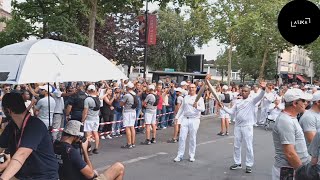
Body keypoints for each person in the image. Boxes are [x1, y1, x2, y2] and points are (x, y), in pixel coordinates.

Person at [0, 93, 59, 179]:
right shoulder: (12, 126)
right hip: (25, 176)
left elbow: (22, 154)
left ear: (8, 111)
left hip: (44, 176)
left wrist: (3, 178)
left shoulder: (34, 125)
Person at [219, 82, 266, 173]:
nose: (244, 92)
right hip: (238, 126)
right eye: (243, 91)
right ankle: (237, 163)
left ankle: (249, 164)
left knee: (248, 146)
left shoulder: (252, 101)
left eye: (246, 91)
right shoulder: (238, 101)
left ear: (249, 93)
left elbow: (260, 96)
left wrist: (263, 89)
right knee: (237, 145)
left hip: (247, 126)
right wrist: (223, 107)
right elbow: (231, 112)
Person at [56, 120, 125, 180]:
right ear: (75, 136)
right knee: (119, 167)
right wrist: (85, 151)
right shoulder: (71, 151)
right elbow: (91, 175)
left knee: (95, 172)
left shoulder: (55, 146)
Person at [272, 88, 312, 180]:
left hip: (294, 169)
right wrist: (303, 173)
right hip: (289, 171)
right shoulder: (285, 121)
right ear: (294, 103)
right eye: (303, 101)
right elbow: (290, 153)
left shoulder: (291, 118)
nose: (306, 103)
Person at [173, 84, 205, 162]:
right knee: (181, 137)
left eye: (193, 87)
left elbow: (203, 109)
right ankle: (180, 155)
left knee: (192, 138)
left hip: (194, 119)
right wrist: (177, 117)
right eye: (190, 87)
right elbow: (181, 108)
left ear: (195, 89)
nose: (191, 89)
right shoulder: (186, 97)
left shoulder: (200, 98)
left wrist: (197, 106)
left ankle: (191, 155)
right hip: (185, 119)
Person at [82, 85, 101, 154]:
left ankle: (88, 149)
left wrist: (83, 120)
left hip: (89, 119)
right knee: (95, 133)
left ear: (88, 90)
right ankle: (96, 148)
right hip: (96, 118)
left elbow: (85, 111)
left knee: (88, 135)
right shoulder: (98, 99)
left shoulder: (87, 99)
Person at [120, 82, 137, 149]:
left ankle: (129, 143)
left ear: (128, 88)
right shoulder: (135, 94)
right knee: (132, 127)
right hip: (133, 111)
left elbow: (121, 104)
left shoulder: (127, 95)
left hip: (127, 112)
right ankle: (133, 143)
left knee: (127, 127)